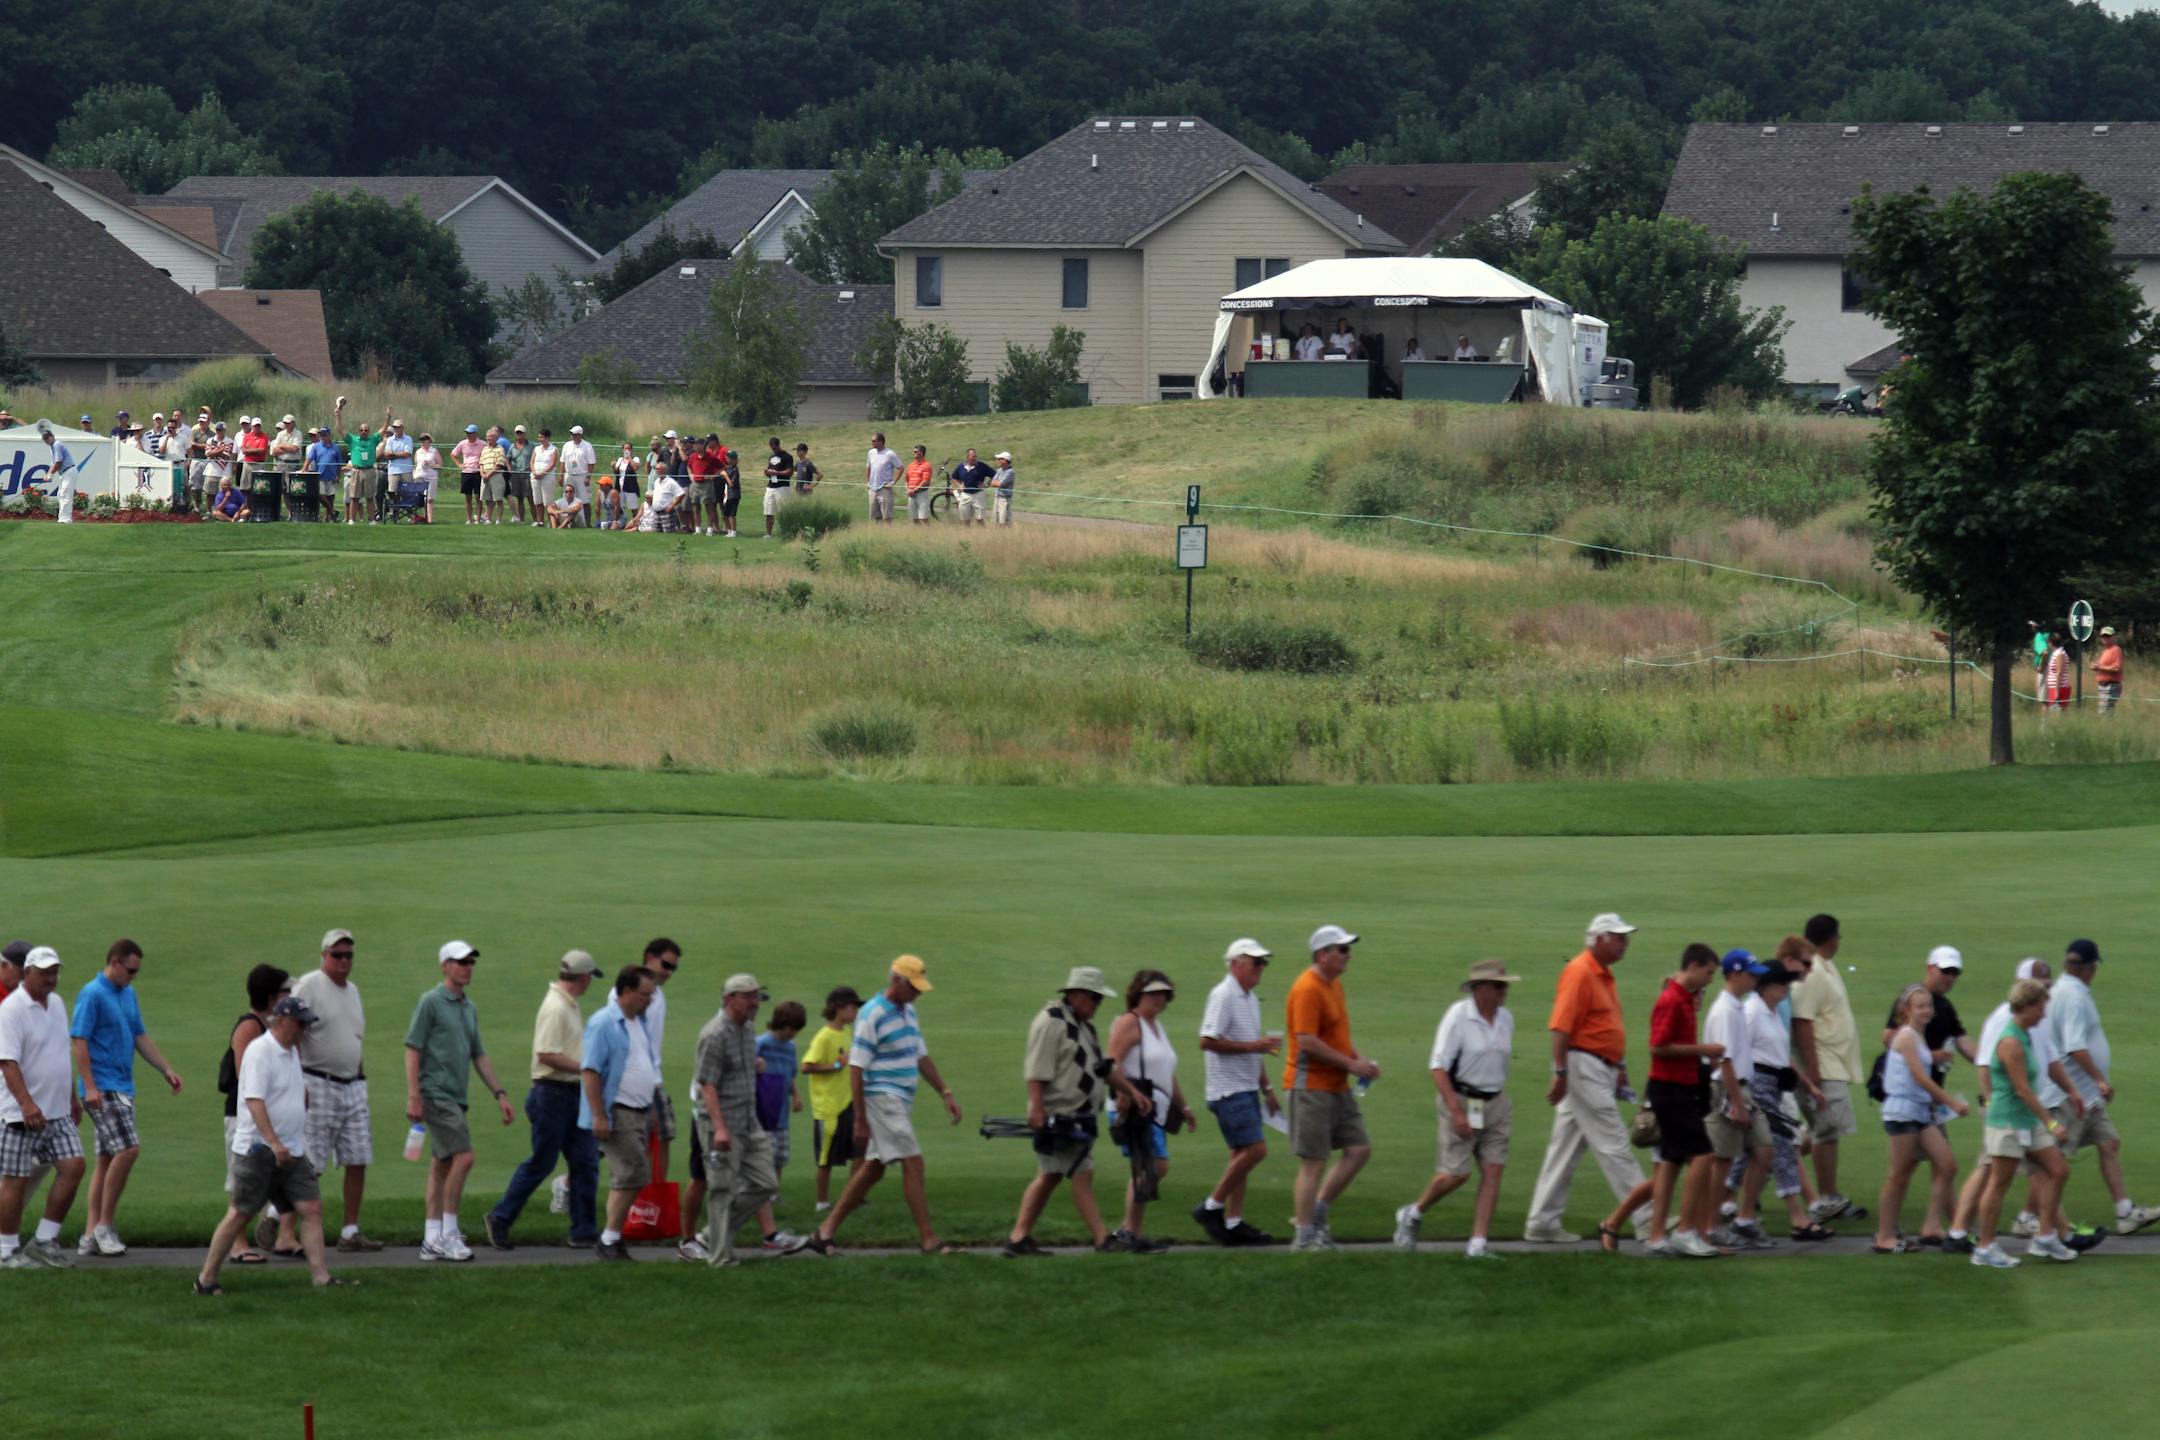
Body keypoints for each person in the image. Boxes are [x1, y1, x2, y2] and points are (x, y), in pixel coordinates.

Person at [789, 956, 963, 1257]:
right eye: (914, 987)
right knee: (914, 1164)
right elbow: (857, 1067)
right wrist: (859, 1119)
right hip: (883, 1098)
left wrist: (945, 1092)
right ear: (897, 981)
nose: (918, 993)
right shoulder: (872, 1014)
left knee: (873, 1169)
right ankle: (929, 1240)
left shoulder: (909, 1011)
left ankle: (824, 1233)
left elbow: (921, 1056)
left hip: (900, 1100)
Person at [193, 996, 349, 1294]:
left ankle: (321, 1277)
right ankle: (206, 1278)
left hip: (292, 1149)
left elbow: (292, 1091)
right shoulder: (260, 1052)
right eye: (302, 1024)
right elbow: (254, 1100)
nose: (305, 1030)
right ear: (285, 1021)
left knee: (311, 1207)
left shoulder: (291, 1052)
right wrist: (274, 1142)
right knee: (240, 1212)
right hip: (260, 1149)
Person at [1525, 914, 1648, 1243]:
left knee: (1564, 1148)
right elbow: (1560, 1026)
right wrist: (1561, 1071)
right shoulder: (1580, 971)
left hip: (1598, 1066)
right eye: (1619, 937)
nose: (1625, 942)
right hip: (1582, 1066)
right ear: (1599, 939)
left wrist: (1619, 1067)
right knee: (1613, 1142)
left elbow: (1603, 1026)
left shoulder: (1603, 974)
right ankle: (1648, 1217)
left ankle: (1542, 1221)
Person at [1394, 957, 1525, 1258]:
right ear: (1480, 989)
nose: (1505, 991)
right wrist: (1456, 1111)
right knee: (1456, 1174)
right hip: (1462, 1100)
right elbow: (1438, 1066)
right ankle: (1413, 1213)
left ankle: (1478, 1244)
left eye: (1505, 985)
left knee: (1493, 1171)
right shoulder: (1458, 1016)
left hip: (1496, 1103)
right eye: (1499, 985)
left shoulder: (1506, 1018)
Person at [1002, 966, 1125, 1257]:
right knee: (1078, 1174)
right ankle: (1102, 1239)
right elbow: (1036, 1069)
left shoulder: (1084, 1027)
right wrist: (1036, 1107)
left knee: (1050, 1176)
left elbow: (1100, 1069)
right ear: (1078, 995)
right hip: (1059, 1114)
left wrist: (1131, 1093)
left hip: (1078, 1117)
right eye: (1095, 999)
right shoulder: (1051, 1022)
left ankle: (1018, 1238)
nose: (1098, 1005)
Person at [69, 939, 181, 1259]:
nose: (133, 976)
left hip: (123, 1088)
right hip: (102, 1087)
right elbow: (79, 1041)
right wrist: (89, 1087)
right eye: (130, 970)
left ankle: (90, 1234)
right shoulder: (92, 994)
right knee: (129, 1149)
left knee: (107, 1158)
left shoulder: (127, 993)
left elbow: (139, 1036)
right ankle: (105, 1226)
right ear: (115, 963)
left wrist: (165, 1069)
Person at [405, 941, 516, 1262]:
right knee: (464, 1158)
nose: (467, 967)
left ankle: (430, 1239)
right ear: (444, 966)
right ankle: (449, 1233)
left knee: (441, 1165)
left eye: (470, 962)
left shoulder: (469, 1008)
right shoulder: (431, 1002)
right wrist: (414, 1094)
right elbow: (413, 1048)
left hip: (456, 1096)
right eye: (460, 962)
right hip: (435, 1093)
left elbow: (478, 1054)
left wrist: (500, 1094)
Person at [484, 950, 601, 1251]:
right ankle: (500, 1217)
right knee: (542, 1162)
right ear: (584, 976)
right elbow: (546, 1055)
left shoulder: (567, 1004)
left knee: (586, 1161)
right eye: (590, 977)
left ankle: (584, 1231)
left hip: (569, 1094)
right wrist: (585, 1067)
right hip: (552, 1094)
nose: (590, 983)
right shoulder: (556, 1008)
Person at [2051, 938, 2159, 1232]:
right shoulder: (2072, 996)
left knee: (2108, 1142)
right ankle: (2035, 1220)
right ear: (2091, 967)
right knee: (2052, 1163)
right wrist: (2099, 1078)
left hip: (2087, 1095)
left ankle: (2125, 1212)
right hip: (2071, 1094)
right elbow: (2074, 1046)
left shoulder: (2065, 989)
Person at [1284, 924, 1379, 1252]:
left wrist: (1358, 1059)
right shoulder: (1307, 988)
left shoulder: (1333, 985)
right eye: (1342, 949)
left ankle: (1317, 1212)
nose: (1347, 955)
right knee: (1314, 1161)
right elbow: (1306, 1041)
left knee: (1359, 1149)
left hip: (1336, 1083)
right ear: (1322, 954)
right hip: (1311, 1085)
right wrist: (1350, 1064)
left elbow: (1336, 1035)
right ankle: (1305, 1236)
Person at [289, 928, 381, 1253]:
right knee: (311, 1162)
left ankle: (350, 1231)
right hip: (317, 1080)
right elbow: (289, 1029)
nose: (343, 961)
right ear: (324, 955)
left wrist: (360, 1073)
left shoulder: (352, 990)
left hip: (352, 1084)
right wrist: (296, 1082)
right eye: (337, 955)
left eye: (348, 955)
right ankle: (291, 1227)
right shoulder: (310, 985)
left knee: (358, 1157)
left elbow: (353, 1036)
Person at [1973, 979, 2074, 1269]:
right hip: (2007, 1122)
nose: (2044, 1013)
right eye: (2041, 1006)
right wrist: (2052, 1124)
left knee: (2058, 1170)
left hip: (2026, 1121)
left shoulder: (2026, 1034)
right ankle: (1985, 1247)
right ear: (2028, 1006)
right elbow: (2023, 1090)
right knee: (1999, 1183)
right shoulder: (2011, 1042)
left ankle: (2045, 1237)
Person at [1631, 944, 1725, 1257]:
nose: (1710, 980)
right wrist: (1702, 1050)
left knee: (1670, 1162)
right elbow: (1658, 1046)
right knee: (1703, 1155)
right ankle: (1686, 1231)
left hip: (1676, 1087)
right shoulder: (1672, 999)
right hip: (1670, 1088)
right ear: (1694, 966)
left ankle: (1657, 1236)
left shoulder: (1683, 997)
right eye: (1709, 972)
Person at [1878, 944, 1974, 1241]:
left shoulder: (1922, 1030)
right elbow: (1919, 1076)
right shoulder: (1907, 1035)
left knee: (1947, 1165)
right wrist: (1952, 1103)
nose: (1926, 1011)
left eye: (1928, 1007)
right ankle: (1885, 1235)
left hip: (1922, 1109)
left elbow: (1952, 1045)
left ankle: (1934, 1226)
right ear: (1907, 1010)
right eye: (1920, 1007)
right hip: (1906, 1109)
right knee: (1900, 1173)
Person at [1731, 963, 1832, 1243]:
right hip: (1758, 1086)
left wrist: (1808, 1085)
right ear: (1765, 986)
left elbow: (1780, 1054)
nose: (1786, 988)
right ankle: (1798, 1219)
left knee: (1751, 1153)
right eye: (1781, 983)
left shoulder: (1772, 1012)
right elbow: (1736, 1052)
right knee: (1782, 1146)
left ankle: (1729, 1210)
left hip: (1773, 1086)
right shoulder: (1752, 1013)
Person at [690, 974, 780, 1266]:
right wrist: (719, 1128)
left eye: (758, 996)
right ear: (730, 999)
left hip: (748, 1120)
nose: (756, 1003)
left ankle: (711, 1234)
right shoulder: (714, 1034)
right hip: (722, 1123)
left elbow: (734, 1068)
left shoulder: (748, 1029)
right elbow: (707, 1085)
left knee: (766, 1182)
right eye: (749, 997)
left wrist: (755, 1066)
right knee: (721, 1188)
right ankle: (720, 1259)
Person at [1194, 938, 1280, 1246]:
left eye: (1263, 963)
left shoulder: (1250, 999)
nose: (1261, 968)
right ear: (1234, 964)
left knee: (1240, 1155)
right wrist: (1253, 1046)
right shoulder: (1224, 995)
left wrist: (1267, 1087)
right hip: (1228, 1089)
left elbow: (1252, 1049)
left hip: (1245, 1087)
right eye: (1255, 962)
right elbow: (1207, 1040)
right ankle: (1211, 1207)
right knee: (1256, 1151)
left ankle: (1233, 1222)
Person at [0, 948, 82, 1269]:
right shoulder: (12, 1010)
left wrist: (72, 1098)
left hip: (57, 1110)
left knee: (74, 1166)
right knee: (14, 1180)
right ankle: (6, 1250)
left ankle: (44, 1240)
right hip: (21, 1113)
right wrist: (26, 1103)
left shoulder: (57, 1004)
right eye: (45, 972)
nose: (51, 978)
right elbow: (7, 1062)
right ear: (28, 972)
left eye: (55, 972)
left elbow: (61, 1054)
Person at [1105, 970, 1196, 1253]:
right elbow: (1110, 1062)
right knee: (1154, 1166)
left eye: (1163, 994)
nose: (1158, 999)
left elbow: (1166, 1072)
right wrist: (1123, 1093)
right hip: (1134, 1107)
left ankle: (1130, 1232)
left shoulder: (1155, 1026)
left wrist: (1184, 1106)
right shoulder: (1129, 1023)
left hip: (1153, 1110)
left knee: (1151, 1167)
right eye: (1152, 993)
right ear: (1138, 994)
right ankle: (1129, 1231)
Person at [577, 965, 659, 1260]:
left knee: (629, 1175)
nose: (649, 999)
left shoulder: (640, 1021)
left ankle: (611, 1238)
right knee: (633, 1173)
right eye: (644, 994)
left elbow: (642, 1061)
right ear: (625, 991)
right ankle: (609, 1238)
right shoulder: (604, 1023)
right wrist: (599, 1114)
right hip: (617, 1110)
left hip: (637, 1110)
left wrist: (648, 1106)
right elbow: (590, 1071)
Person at [1791, 913, 1863, 1223]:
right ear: (1831, 938)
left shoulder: (1823, 966)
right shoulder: (1815, 971)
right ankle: (1828, 1198)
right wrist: (1814, 1069)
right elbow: (1802, 1021)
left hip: (1832, 1060)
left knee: (1819, 1128)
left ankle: (1771, 1165)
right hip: (1823, 1062)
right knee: (1826, 1131)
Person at [221, 964, 292, 1262]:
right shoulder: (250, 1027)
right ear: (272, 996)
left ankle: (283, 1235)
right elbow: (247, 1076)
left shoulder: (273, 1027)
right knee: (242, 1179)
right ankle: (237, 1245)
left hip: (264, 1116)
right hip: (244, 1118)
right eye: (285, 992)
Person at [751, 1002, 807, 1250]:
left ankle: (772, 1194)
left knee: (780, 1156)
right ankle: (763, 1198)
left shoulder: (791, 1047)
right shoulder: (761, 1043)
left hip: (781, 1109)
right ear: (782, 1024)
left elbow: (791, 1073)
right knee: (766, 1154)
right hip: (764, 1107)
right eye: (792, 1029)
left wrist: (795, 1095)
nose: (793, 1034)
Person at [805, 986, 863, 1214]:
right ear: (840, 1009)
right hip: (828, 1107)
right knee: (825, 1159)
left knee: (860, 1150)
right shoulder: (824, 1036)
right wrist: (835, 1066)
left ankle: (853, 1197)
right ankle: (822, 1202)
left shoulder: (847, 1033)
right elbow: (807, 1066)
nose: (856, 1012)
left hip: (848, 1101)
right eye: (853, 1008)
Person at [334, 398, 380, 526]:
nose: (364, 432)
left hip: (370, 470)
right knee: (354, 497)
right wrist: (338, 416)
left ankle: (371, 520)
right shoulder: (353, 440)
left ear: (368, 431)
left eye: (366, 430)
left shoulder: (373, 439)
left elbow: (383, 430)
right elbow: (339, 429)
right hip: (356, 470)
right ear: (359, 431)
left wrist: (388, 417)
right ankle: (351, 520)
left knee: (370, 497)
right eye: (362, 430)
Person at [31, 421, 80, 524]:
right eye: (44, 439)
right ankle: (62, 518)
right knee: (61, 494)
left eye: (47, 437)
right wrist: (48, 474)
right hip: (65, 472)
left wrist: (50, 474)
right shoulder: (52, 447)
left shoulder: (57, 444)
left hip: (69, 470)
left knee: (65, 494)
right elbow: (54, 465)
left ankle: (65, 519)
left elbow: (59, 462)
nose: (46, 440)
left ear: (52, 436)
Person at [756, 436, 794, 539]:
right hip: (771, 486)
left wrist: (777, 473)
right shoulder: (771, 457)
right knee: (769, 510)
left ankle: (786, 532)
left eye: (774, 447)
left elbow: (789, 472)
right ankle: (768, 533)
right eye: (771, 447)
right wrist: (767, 472)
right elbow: (770, 469)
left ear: (778, 445)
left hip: (782, 487)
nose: (773, 449)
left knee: (783, 511)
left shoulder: (787, 457)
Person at [379, 412, 415, 520]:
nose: (396, 429)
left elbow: (407, 454)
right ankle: (394, 511)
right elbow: (386, 455)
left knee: (408, 491)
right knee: (392, 491)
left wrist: (393, 455)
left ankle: (409, 513)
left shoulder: (408, 439)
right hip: (393, 470)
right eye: (395, 427)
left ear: (402, 428)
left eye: (398, 427)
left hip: (406, 470)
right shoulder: (389, 440)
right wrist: (397, 455)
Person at [634, 464, 686, 532]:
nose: (656, 470)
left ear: (664, 470)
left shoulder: (670, 482)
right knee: (657, 533)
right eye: (656, 469)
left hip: (666, 513)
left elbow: (681, 493)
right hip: (656, 513)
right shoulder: (656, 482)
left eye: (658, 468)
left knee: (668, 532)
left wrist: (672, 505)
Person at [561, 425, 596, 525]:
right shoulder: (566, 445)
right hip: (569, 475)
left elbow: (591, 463)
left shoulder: (587, 446)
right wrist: (561, 475)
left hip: (582, 475)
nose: (573, 436)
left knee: (584, 500)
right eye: (572, 434)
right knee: (568, 498)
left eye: (575, 434)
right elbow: (562, 461)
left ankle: (587, 523)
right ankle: (569, 522)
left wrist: (588, 476)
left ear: (580, 434)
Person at [949, 448, 993, 526]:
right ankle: (967, 535)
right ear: (967, 457)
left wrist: (986, 485)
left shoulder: (982, 466)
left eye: (975, 456)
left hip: (978, 494)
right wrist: (959, 485)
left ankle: (983, 534)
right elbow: (954, 477)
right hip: (965, 494)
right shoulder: (961, 467)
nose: (974, 458)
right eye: (972, 456)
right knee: (965, 519)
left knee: (979, 518)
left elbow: (994, 475)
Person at [866, 432, 901, 522]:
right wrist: (868, 482)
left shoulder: (890, 454)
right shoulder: (871, 453)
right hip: (873, 488)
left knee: (886, 516)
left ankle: (888, 533)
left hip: (885, 489)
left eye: (874, 441)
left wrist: (892, 483)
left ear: (881, 442)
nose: (872, 443)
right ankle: (878, 533)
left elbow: (900, 468)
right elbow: (868, 467)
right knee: (875, 516)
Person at [528, 428, 559, 527]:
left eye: (541, 437)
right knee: (537, 500)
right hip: (535, 476)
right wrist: (534, 472)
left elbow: (552, 464)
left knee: (547, 501)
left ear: (547, 438)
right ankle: (540, 521)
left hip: (547, 477)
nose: (539, 439)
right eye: (539, 437)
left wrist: (542, 473)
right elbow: (532, 462)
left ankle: (551, 521)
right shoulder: (536, 448)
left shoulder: (553, 449)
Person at [603, 444, 636, 530]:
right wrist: (613, 466)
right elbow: (616, 471)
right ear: (622, 450)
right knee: (620, 506)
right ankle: (620, 522)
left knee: (633, 507)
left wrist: (629, 458)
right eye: (625, 448)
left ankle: (636, 523)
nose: (627, 450)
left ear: (631, 450)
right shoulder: (620, 459)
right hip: (620, 487)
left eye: (628, 448)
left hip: (630, 487)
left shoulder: (635, 459)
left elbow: (635, 468)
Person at [2093, 628, 2124, 713]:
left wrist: (2099, 668)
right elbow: (2104, 666)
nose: (2105, 638)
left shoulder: (2116, 650)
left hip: (2111, 685)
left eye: (2108, 636)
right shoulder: (2106, 650)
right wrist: (2096, 667)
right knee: (2105, 712)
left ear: (2113, 637)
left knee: (2104, 712)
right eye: (2103, 636)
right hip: (2103, 686)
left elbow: (2117, 668)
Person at [904, 445, 935, 524]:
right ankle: (918, 533)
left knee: (923, 518)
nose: (914, 453)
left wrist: (914, 490)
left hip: (921, 494)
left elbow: (925, 481)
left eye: (915, 451)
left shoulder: (927, 465)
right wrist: (908, 490)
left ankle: (928, 533)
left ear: (921, 453)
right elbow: (906, 480)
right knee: (914, 517)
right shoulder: (910, 465)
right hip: (911, 494)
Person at [2044, 634, 2072, 711]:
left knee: (2057, 712)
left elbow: (2059, 672)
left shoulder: (2060, 654)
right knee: (2054, 711)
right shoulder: (2056, 653)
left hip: (2060, 688)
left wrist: (2056, 692)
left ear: (2051, 642)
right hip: (2053, 687)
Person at [991, 450, 1015, 525]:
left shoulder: (1010, 472)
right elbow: (992, 482)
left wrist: (997, 483)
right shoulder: (999, 470)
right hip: (997, 497)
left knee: (1003, 521)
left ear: (1005, 460)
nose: (997, 460)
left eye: (999, 459)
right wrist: (996, 483)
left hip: (1005, 499)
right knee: (995, 520)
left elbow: (1000, 484)